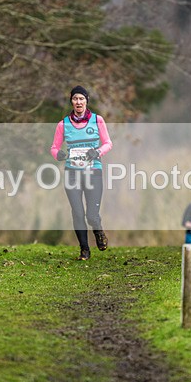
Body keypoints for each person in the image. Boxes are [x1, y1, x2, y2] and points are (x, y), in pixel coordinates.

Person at [50, 86, 112, 260]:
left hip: (93, 172)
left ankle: (98, 231)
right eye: (75, 99)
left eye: (81, 99)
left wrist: (98, 152)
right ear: (71, 101)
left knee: (91, 215)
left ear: (86, 101)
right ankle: (84, 250)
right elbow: (54, 148)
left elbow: (108, 143)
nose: (78, 102)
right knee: (77, 213)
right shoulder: (63, 124)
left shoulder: (97, 120)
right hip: (72, 173)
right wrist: (58, 155)